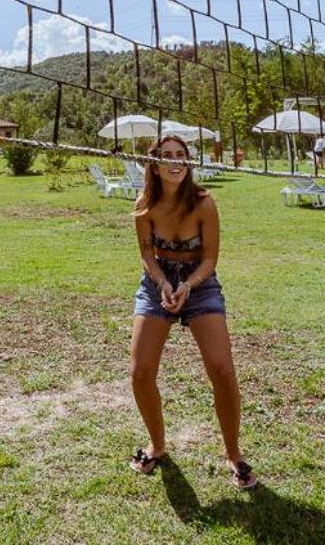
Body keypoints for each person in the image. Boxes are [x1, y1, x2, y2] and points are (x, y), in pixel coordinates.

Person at [126, 134, 256, 490]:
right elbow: (147, 255)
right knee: (140, 370)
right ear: (154, 163)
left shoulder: (203, 203)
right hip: (158, 284)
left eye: (181, 155)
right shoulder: (144, 204)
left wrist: (187, 286)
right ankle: (157, 445)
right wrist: (164, 284)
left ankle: (233, 454)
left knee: (222, 370)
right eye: (167, 155)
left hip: (200, 284)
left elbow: (211, 257)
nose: (175, 161)